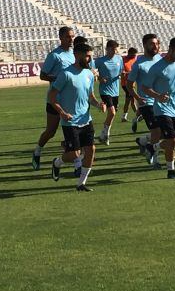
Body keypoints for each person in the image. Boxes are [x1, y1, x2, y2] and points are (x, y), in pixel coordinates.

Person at [49, 42, 106, 192]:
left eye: (90, 56)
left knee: (91, 150)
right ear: (77, 55)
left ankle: (81, 183)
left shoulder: (89, 74)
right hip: (70, 122)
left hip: (86, 120)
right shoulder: (66, 74)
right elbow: (52, 97)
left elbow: (90, 97)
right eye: (87, 56)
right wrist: (62, 112)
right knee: (74, 154)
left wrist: (99, 104)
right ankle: (57, 162)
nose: (90, 59)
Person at [141, 37, 175, 179]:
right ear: (171, 49)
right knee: (172, 141)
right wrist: (158, 96)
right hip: (161, 109)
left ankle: (151, 147)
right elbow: (144, 87)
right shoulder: (157, 68)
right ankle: (171, 171)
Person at [31, 26, 75, 171]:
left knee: (73, 131)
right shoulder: (54, 55)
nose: (71, 39)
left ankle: (75, 160)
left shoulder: (74, 54)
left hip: (70, 100)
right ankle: (37, 151)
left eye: (72, 36)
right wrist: (59, 78)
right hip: (55, 99)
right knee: (51, 131)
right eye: (68, 37)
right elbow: (43, 75)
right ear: (61, 38)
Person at [127, 34, 163, 164]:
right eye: (152, 44)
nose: (155, 46)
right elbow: (129, 84)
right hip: (146, 102)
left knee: (164, 130)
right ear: (145, 45)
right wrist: (138, 98)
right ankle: (154, 158)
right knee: (157, 130)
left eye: (157, 43)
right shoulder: (138, 64)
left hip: (161, 100)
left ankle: (143, 141)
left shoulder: (160, 59)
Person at [94, 40, 123, 145]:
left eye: (116, 49)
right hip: (105, 90)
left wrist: (122, 74)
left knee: (112, 114)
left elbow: (121, 71)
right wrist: (98, 77)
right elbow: (90, 69)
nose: (115, 51)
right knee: (112, 112)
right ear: (107, 49)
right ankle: (106, 135)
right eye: (113, 49)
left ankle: (103, 135)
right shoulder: (101, 61)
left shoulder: (119, 59)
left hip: (116, 90)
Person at [121, 47, 139, 122]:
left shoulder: (135, 60)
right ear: (129, 53)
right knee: (131, 99)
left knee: (130, 100)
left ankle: (124, 116)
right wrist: (127, 73)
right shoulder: (123, 60)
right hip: (125, 83)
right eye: (133, 55)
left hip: (132, 83)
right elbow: (122, 72)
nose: (134, 56)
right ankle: (138, 115)